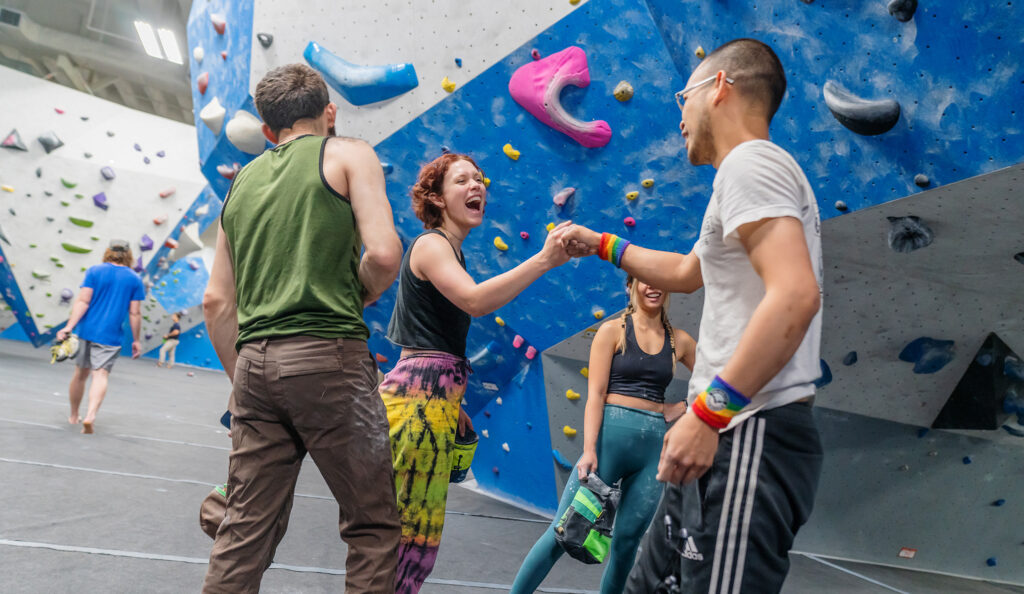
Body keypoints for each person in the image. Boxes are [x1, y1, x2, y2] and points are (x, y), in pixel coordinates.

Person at [564, 38, 824, 593]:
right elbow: (687, 272)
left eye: (684, 96)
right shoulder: (738, 177)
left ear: (720, 87)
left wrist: (707, 416)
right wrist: (603, 244)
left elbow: (796, 295)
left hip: (746, 430)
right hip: (720, 430)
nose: (679, 113)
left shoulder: (751, 164)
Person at [201, 63, 404, 593]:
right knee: (372, 525)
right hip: (329, 358)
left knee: (243, 528)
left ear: (268, 132)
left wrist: (244, 377)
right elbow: (383, 255)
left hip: (254, 366)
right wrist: (353, 293)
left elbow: (216, 302)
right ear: (329, 114)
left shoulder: (241, 183)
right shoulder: (348, 153)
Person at [381, 152, 571, 593]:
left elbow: (425, 340)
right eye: (461, 180)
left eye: (479, 180)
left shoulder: (448, 251)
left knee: (413, 537)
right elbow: (474, 301)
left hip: (432, 397)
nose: (476, 186)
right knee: (409, 537)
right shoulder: (431, 245)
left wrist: (454, 402)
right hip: (421, 400)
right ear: (437, 198)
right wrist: (543, 260)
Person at [510, 276, 695, 593]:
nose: (653, 287)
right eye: (644, 281)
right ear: (631, 285)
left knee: (626, 544)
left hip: (652, 452)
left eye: (659, 281)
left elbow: (716, 379)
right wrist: (589, 450)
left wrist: (681, 407)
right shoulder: (613, 331)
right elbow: (595, 394)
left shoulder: (680, 341)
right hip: (607, 446)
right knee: (562, 532)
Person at [56, 239, 144, 434]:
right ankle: (90, 416)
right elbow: (135, 313)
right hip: (110, 336)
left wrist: (69, 327)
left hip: (87, 331)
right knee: (100, 375)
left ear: (108, 252)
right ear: (128, 255)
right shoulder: (134, 279)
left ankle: (73, 415)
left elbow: (83, 301)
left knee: (80, 374)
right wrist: (136, 340)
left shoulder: (94, 271)